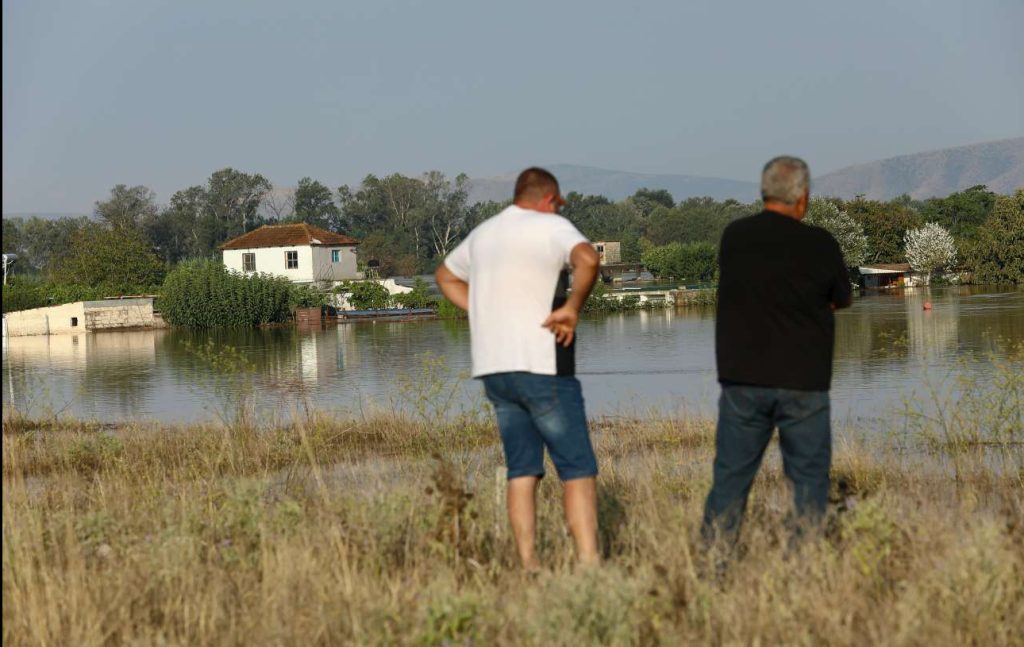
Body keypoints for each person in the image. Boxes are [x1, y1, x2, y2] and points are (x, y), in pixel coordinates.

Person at [435, 167, 602, 569]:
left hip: (495, 369)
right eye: (559, 203)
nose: (560, 209)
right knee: (577, 468)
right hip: (542, 364)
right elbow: (588, 259)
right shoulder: (552, 226)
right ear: (548, 199)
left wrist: (483, 312)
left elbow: (445, 276)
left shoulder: (485, 232)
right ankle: (589, 563)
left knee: (522, 468)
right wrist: (572, 307)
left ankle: (528, 565)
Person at [701, 156, 853, 548]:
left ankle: (713, 569)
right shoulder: (820, 243)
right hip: (804, 382)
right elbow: (840, 300)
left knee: (730, 481)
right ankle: (802, 573)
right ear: (802, 198)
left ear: (764, 192)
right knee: (808, 483)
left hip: (742, 382)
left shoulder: (735, 236)